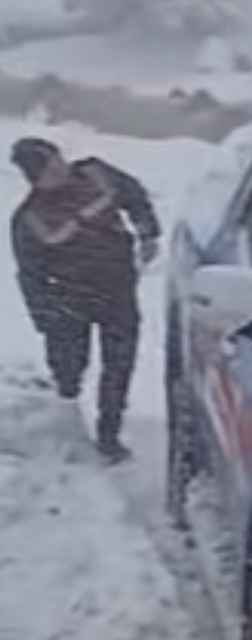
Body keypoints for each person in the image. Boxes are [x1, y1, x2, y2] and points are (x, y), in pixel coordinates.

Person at [9, 137, 160, 463]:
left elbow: (133, 194)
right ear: (34, 179)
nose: (60, 171)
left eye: (58, 161)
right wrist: (46, 319)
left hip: (117, 291)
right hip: (68, 302)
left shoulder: (97, 175)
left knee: (119, 365)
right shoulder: (30, 219)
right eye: (49, 170)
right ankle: (65, 427)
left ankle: (110, 435)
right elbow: (30, 274)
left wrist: (148, 231)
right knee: (68, 370)